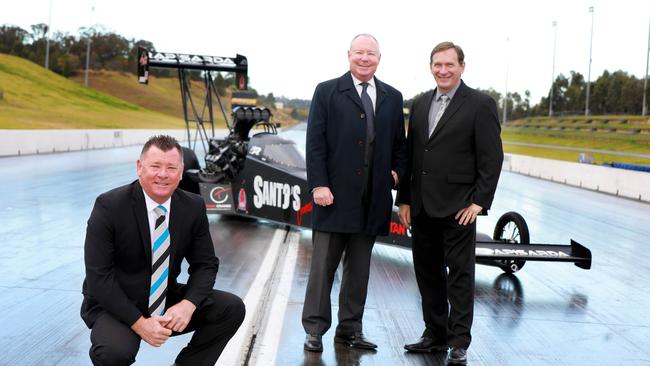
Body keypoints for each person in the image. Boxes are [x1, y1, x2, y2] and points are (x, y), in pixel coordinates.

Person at [81, 135, 245, 366]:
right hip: (116, 303)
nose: (163, 174)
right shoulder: (109, 206)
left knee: (231, 308)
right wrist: (140, 324)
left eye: (171, 167)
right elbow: (99, 278)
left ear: (181, 172)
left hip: (164, 297)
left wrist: (188, 305)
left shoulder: (193, 206)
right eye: (155, 166)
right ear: (140, 167)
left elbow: (205, 264)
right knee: (112, 353)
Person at [397, 42, 503, 365]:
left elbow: (491, 157)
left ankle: (458, 342)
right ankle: (435, 334)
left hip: (459, 209)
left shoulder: (480, 104)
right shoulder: (418, 104)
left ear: (462, 67)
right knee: (427, 273)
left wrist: (479, 203)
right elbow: (411, 155)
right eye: (437, 65)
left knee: (459, 276)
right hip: (422, 207)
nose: (443, 70)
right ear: (430, 66)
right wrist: (403, 199)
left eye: (449, 65)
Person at [302, 33, 407, 352]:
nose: (365, 58)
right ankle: (315, 330)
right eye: (359, 53)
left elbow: (399, 146)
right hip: (333, 198)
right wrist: (318, 184)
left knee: (359, 272)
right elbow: (315, 142)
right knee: (323, 270)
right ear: (348, 55)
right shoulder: (327, 91)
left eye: (371, 54)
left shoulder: (392, 96)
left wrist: (396, 173)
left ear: (379, 58)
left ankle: (350, 330)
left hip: (372, 200)